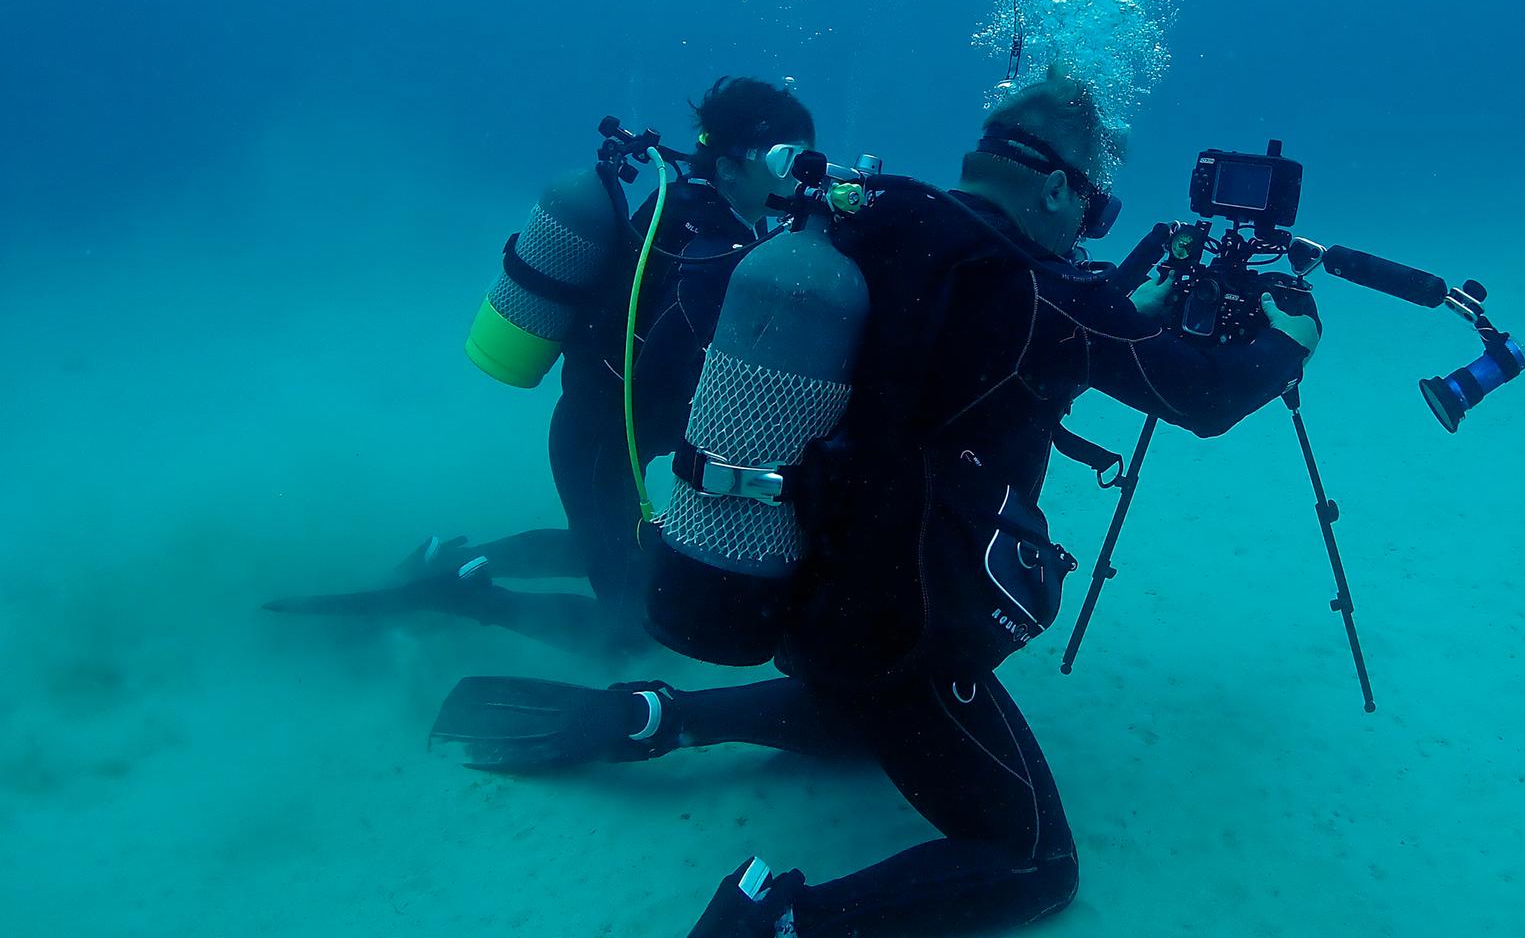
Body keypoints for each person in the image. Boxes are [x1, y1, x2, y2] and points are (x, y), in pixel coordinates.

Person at [429, 70, 1323, 937]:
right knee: (1036, 865)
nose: (1089, 229)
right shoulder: (1041, 293)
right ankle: (780, 921)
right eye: (1094, 208)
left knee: (859, 725)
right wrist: (1288, 342)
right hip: (895, 632)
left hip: (787, 588)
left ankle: (662, 714)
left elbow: (983, 349)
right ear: (1055, 185)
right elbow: (1203, 397)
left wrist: (1119, 308)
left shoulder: (869, 221)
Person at [264, 78, 818, 657]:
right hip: (600, 438)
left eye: (807, 161)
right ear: (729, 169)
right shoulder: (704, 245)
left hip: (615, 428)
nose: (801, 179)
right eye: (786, 162)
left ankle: (452, 560)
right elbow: (671, 361)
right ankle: (466, 596)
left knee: (609, 543)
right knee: (632, 630)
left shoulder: (714, 219)